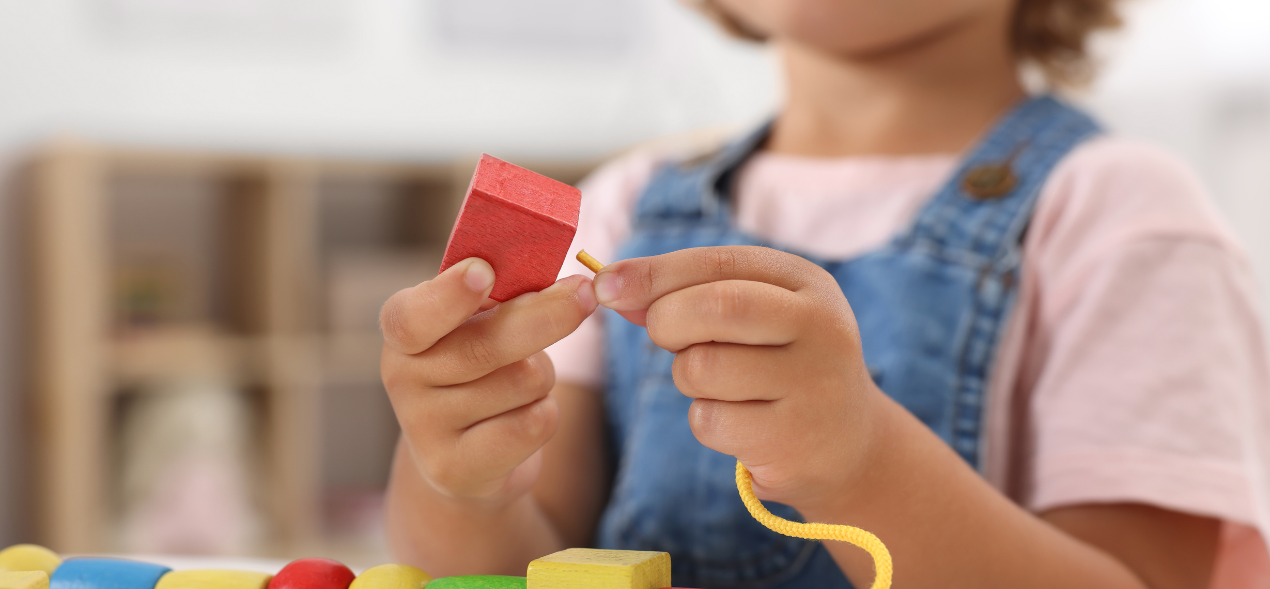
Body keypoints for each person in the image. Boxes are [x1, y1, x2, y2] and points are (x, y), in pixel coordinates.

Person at [377, 0, 1270, 587]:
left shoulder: (1122, 215)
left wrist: (861, 460)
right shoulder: (620, 205)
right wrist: (458, 479)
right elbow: (523, 558)